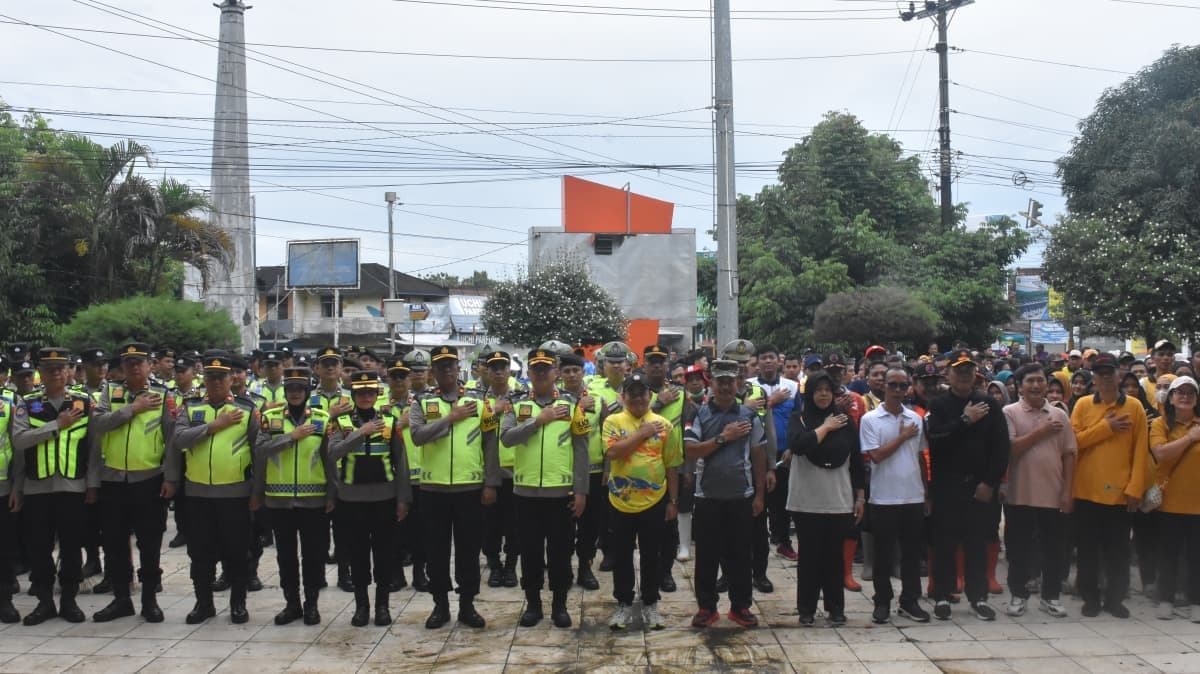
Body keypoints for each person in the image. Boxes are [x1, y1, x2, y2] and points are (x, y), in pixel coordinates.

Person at [409, 346, 500, 630]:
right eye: (441, 366)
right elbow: (417, 437)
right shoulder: (421, 402)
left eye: (451, 365)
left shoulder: (479, 401)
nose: (447, 370)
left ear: (458, 368)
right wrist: (450, 418)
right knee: (435, 550)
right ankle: (440, 605)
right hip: (433, 490)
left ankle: (467, 605)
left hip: (470, 489)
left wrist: (491, 483)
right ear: (433, 372)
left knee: (469, 551)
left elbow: (490, 443)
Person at [86, 342, 176, 624]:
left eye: (139, 362)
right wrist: (132, 408)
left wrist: (171, 478)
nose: (134, 367)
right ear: (122, 367)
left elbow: (172, 439)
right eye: (128, 363)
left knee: (149, 544)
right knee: (113, 543)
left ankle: (149, 600)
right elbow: (97, 424)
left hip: (149, 480)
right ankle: (122, 599)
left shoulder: (163, 395)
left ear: (150, 365)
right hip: (112, 480)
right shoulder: (110, 392)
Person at [500, 348, 589, 628]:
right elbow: (506, 439)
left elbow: (582, 450)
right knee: (530, 552)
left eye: (546, 369)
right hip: (525, 494)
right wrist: (538, 421)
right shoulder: (515, 405)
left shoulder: (573, 404)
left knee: (561, 552)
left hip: (561, 494)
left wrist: (582, 491)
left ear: (555, 373)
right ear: (528, 373)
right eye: (535, 369)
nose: (541, 374)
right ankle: (534, 604)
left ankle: (560, 605)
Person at [169, 354, 260, 625]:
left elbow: (258, 452)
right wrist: (213, 427)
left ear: (232, 379)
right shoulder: (191, 407)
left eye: (222, 377)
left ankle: (238, 604)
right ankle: (203, 603)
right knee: (200, 554)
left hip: (235, 494)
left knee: (237, 551)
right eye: (211, 377)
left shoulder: (247, 410)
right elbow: (178, 441)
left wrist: (257, 491)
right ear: (204, 380)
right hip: (198, 494)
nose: (216, 382)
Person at [925, 349, 1010, 622]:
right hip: (947, 487)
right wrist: (965, 420)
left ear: (976, 375)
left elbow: (1001, 448)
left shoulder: (989, 404)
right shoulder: (938, 405)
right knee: (944, 544)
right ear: (948, 374)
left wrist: (990, 482)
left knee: (977, 544)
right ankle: (942, 595)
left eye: (968, 371)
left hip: (979, 488)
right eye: (958, 371)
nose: (964, 376)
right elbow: (936, 440)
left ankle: (979, 597)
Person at [11, 348, 93, 626]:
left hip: (73, 487)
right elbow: (19, 442)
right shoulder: (28, 403)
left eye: (61, 368)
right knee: (39, 548)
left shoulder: (83, 402)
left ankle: (69, 600)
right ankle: (44, 602)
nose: (56, 373)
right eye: (49, 369)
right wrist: (55, 426)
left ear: (69, 370)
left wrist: (92, 485)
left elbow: (93, 448)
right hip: (37, 489)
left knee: (71, 547)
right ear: (40, 373)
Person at [686, 359, 767, 628]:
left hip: (741, 497)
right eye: (720, 381)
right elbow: (690, 450)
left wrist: (759, 495)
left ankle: (740, 606)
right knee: (706, 555)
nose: (725, 387)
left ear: (738, 384)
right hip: (707, 497)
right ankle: (706, 607)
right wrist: (723, 437)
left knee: (741, 555)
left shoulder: (749, 415)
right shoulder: (697, 414)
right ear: (712, 383)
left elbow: (758, 454)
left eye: (730, 382)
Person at [1070, 352, 1150, 618]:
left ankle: (1115, 598)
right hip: (1086, 491)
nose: (1105, 377)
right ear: (1093, 377)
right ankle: (1090, 597)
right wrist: (1106, 427)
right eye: (1100, 373)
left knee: (1118, 551)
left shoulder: (1135, 407)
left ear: (1118, 375)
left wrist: (1135, 488)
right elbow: (1073, 443)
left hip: (1120, 492)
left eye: (1110, 372)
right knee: (1088, 550)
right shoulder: (1082, 405)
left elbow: (1141, 450)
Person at [254, 367, 336, 626]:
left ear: (307, 390)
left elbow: (330, 460)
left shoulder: (322, 419)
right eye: (291, 388)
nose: (295, 393)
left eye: (300, 388)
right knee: (285, 556)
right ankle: (292, 604)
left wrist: (332, 494)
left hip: (314, 499)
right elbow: (260, 450)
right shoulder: (270, 417)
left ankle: (311, 604)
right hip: (279, 499)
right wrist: (291, 437)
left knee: (313, 555)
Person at [329, 371, 411, 627]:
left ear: (377, 395)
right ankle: (361, 606)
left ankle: (382, 606)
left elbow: (401, 462)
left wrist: (402, 499)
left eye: (370, 393)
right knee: (358, 555)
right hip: (351, 500)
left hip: (384, 499)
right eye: (360, 393)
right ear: (353, 396)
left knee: (385, 554)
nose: (366, 397)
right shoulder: (341, 422)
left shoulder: (390, 420)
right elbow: (331, 454)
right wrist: (360, 433)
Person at [786, 370, 865, 626]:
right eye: (818, 390)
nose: (823, 394)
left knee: (833, 557)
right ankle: (806, 609)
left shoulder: (845, 421)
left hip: (838, 497)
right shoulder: (798, 418)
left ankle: (836, 608)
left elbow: (856, 460)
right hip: (806, 498)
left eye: (827, 390)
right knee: (809, 557)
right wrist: (825, 427)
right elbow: (799, 445)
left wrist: (860, 494)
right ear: (810, 393)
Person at [603, 370, 681, 631]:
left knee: (652, 554)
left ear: (650, 396)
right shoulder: (613, 421)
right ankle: (624, 603)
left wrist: (672, 500)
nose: (638, 400)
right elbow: (613, 452)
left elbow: (672, 465)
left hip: (655, 499)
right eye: (632, 395)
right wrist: (643, 433)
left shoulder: (665, 425)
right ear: (623, 396)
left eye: (643, 395)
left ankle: (650, 603)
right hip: (620, 500)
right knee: (621, 554)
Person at [1001, 363, 1076, 618]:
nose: (1035, 385)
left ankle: (1051, 596)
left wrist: (1067, 491)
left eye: (1040, 380)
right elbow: (1010, 450)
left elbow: (1069, 455)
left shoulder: (1060, 415)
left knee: (1053, 548)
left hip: (1053, 493)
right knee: (1019, 547)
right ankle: (1018, 595)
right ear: (1020, 386)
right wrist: (1042, 431)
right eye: (1030, 381)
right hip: (1019, 493)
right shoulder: (1009, 412)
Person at [860, 368, 931, 624]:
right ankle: (882, 602)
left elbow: (921, 458)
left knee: (912, 554)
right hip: (883, 497)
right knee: (883, 554)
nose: (898, 390)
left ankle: (910, 601)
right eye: (893, 385)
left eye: (903, 386)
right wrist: (902, 437)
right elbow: (876, 456)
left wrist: (925, 492)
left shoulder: (915, 418)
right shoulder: (870, 419)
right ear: (884, 386)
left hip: (912, 495)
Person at [1148, 376, 1200, 621]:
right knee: (1168, 554)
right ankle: (1166, 599)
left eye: (1191, 393)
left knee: (1196, 557)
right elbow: (1161, 454)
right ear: (1171, 397)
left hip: (1198, 504)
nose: (1185, 397)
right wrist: (1190, 438)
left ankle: (1196, 601)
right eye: (1180, 392)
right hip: (1169, 502)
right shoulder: (1160, 424)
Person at [749, 344, 799, 563]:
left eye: (771, 357)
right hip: (756, 453)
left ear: (779, 361)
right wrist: (773, 401)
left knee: (782, 501)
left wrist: (792, 447)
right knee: (758, 500)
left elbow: (799, 419)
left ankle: (783, 542)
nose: (768, 361)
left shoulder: (793, 387)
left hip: (784, 453)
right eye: (763, 358)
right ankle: (756, 543)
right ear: (757, 362)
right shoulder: (748, 387)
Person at [558, 351, 604, 591]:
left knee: (590, 526)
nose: (572, 375)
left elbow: (607, 434)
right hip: (563, 472)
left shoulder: (597, 399)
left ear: (583, 371)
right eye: (567, 371)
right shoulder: (554, 400)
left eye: (576, 370)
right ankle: (563, 569)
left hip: (593, 472)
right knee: (564, 527)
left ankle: (585, 568)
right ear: (560, 374)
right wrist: (577, 406)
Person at [644, 344, 687, 594]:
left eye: (661, 361)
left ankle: (666, 572)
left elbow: (689, 428)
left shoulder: (679, 393)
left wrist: (688, 469)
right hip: (643, 468)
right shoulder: (636, 391)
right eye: (652, 361)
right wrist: (657, 403)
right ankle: (649, 573)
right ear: (645, 364)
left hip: (672, 466)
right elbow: (633, 421)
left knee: (669, 524)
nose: (657, 365)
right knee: (647, 526)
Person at [382, 356, 427, 592]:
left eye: (403, 376)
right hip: (392, 476)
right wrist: (398, 424)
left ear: (410, 379)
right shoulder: (379, 403)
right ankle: (396, 574)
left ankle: (420, 574)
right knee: (393, 530)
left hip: (418, 476)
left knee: (420, 531)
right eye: (394, 376)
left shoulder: (421, 403)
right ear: (388, 379)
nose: (399, 380)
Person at [482, 350, 520, 590]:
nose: (498, 371)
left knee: (515, 524)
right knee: (489, 524)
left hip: (515, 471)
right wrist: (493, 410)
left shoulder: (522, 396)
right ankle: (494, 565)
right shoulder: (475, 398)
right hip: (487, 469)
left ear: (509, 370)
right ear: (487, 371)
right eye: (493, 367)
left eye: (502, 367)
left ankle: (511, 566)